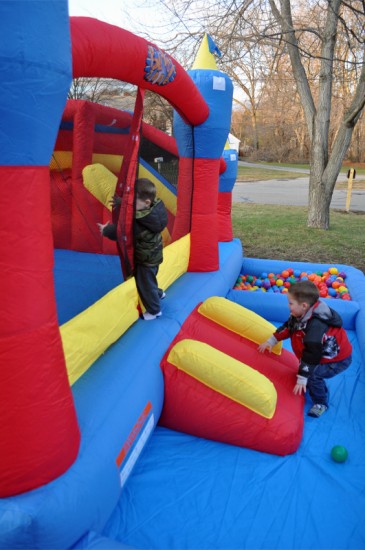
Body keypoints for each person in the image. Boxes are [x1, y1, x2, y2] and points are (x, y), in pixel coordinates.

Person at [258, 280, 352, 418]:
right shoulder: (300, 314)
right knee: (309, 372)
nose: (288, 306)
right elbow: (289, 326)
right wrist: (272, 340)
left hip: (338, 360)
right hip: (318, 352)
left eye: (290, 303)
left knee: (313, 375)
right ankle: (313, 384)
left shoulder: (315, 327)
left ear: (304, 305)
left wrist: (303, 378)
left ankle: (321, 403)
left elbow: (311, 354)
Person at [98, 178, 168, 321]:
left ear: (147, 202)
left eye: (132, 201)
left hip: (146, 260)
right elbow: (134, 207)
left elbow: (123, 232)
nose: (129, 204)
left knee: (145, 284)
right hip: (154, 255)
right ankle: (158, 293)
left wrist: (106, 230)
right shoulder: (154, 211)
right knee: (149, 280)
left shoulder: (140, 222)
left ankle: (154, 310)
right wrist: (121, 203)